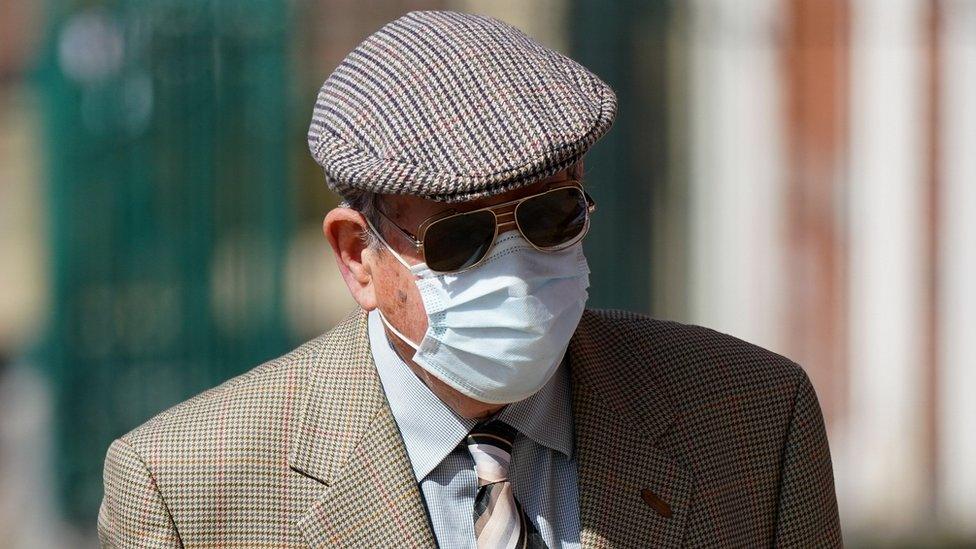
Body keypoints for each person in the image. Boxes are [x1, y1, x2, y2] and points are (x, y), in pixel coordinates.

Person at [98, 10, 841, 548]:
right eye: (461, 238)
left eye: (551, 216)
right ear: (359, 254)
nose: (517, 272)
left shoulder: (752, 421)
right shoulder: (188, 491)